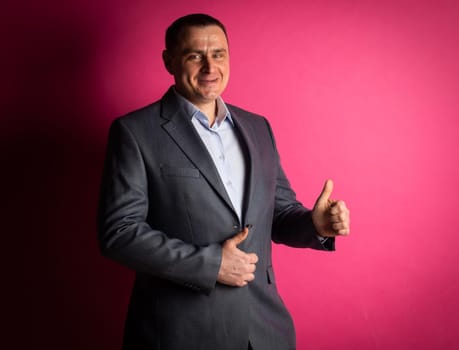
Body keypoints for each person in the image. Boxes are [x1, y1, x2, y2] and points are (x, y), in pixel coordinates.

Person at [97, 13, 350, 350]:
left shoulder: (258, 128)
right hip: (180, 333)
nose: (209, 67)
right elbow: (119, 232)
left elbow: (277, 214)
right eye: (194, 56)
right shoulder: (134, 132)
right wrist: (211, 265)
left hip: (264, 330)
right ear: (168, 61)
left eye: (218, 54)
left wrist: (314, 224)